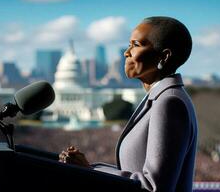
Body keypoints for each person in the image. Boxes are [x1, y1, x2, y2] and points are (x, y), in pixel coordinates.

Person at [59, 16, 198, 192]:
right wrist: (90, 167)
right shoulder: (160, 98)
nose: (127, 52)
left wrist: (90, 170)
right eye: (129, 45)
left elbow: (154, 187)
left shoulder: (169, 102)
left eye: (136, 45)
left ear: (164, 56)